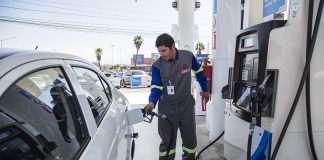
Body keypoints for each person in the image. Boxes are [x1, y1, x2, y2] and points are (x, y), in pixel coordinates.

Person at [144, 33, 209, 160]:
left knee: (190, 142)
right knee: (167, 143)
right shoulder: (157, 65)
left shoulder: (188, 56)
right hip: (167, 110)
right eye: (159, 51)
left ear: (173, 46)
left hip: (186, 108)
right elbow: (156, 87)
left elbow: (199, 72)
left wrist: (205, 90)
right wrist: (152, 102)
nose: (161, 54)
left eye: (164, 50)